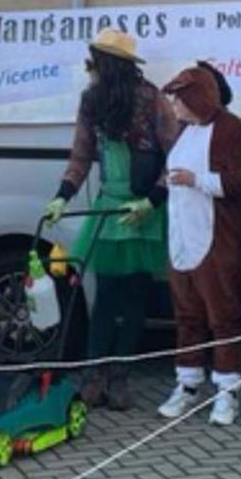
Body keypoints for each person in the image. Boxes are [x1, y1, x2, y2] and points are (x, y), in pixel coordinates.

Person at [44, 30, 177, 411]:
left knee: (135, 297)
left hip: (141, 210)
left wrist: (153, 200)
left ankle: (120, 376)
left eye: (96, 61)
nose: (91, 69)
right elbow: (81, 156)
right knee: (104, 296)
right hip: (109, 205)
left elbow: (176, 155)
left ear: (111, 66)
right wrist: (61, 196)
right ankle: (94, 375)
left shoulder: (154, 100)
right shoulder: (91, 102)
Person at [158, 65, 241, 425]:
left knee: (223, 317)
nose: (173, 105)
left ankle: (227, 392)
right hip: (183, 239)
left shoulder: (233, 130)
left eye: (179, 98)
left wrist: (197, 180)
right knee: (187, 317)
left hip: (218, 241)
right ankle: (187, 384)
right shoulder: (185, 133)